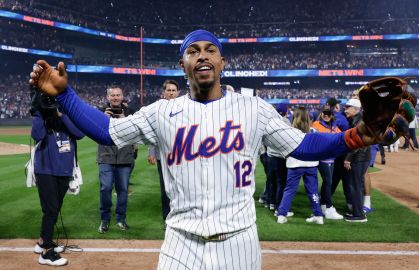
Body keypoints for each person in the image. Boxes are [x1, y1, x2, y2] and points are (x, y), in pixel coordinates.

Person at [30, 29, 397, 270]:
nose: (202, 56)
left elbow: (306, 144)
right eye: (193, 51)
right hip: (179, 243)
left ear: (222, 62)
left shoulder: (253, 109)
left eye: (210, 50)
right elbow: (109, 132)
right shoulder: (162, 112)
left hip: (238, 244)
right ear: (183, 64)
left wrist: (358, 135)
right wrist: (66, 94)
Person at [31, 92, 84, 266]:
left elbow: (79, 133)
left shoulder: (66, 115)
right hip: (46, 169)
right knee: (51, 209)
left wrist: (61, 115)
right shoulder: (41, 115)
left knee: (55, 208)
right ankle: (46, 253)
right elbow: (37, 135)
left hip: (64, 169)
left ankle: (42, 242)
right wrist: (39, 112)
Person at [97, 86, 136, 233]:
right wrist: (104, 120)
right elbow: (94, 132)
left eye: (118, 95)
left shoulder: (130, 112)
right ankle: (105, 219)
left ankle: (121, 219)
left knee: (123, 190)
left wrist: (124, 120)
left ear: (122, 96)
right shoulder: (101, 112)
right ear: (108, 97)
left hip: (125, 157)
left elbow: (135, 132)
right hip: (105, 156)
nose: (115, 97)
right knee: (105, 187)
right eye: (112, 95)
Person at [277, 107, 323, 224]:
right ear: (308, 117)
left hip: (295, 164)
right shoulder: (314, 131)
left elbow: (284, 148)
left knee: (290, 190)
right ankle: (318, 215)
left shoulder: (289, 131)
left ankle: (282, 215)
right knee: (313, 191)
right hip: (311, 164)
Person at [147, 79, 179, 222]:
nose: (171, 93)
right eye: (168, 90)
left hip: (181, 156)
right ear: (164, 92)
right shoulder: (157, 109)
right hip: (163, 157)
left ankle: (180, 218)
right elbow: (152, 132)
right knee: (165, 189)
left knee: (181, 189)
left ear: (178, 92)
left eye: (173, 90)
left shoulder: (185, 108)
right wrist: (151, 152)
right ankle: (167, 219)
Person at [311, 105, 343, 219]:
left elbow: (341, 138)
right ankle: (328, 207)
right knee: (328, 182)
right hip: (322, 158)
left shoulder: (335, 126)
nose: (326, 116)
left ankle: (323, 205)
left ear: (332, 115)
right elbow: (312, 140)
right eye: (324, 113)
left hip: (332, 158)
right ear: (321, 114)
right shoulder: (316, 125)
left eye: (329, 114)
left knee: (327, 182)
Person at [343, 98, 370, 222]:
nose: (345, 109)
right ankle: (357, 211)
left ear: (355, 109)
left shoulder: (359, 122)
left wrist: (348, 159)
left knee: (355, 185)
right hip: (361, 157)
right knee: (356, 184)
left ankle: (358, 214)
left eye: (348, 107)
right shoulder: (357, 120)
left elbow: (357, 143)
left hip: (359, 157)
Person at [266, 103, 289, 211]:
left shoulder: (269, 121)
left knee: (271, 181)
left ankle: (271, 203)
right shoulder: (286, 122)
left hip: (270, 155)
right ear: (285, 112)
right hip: (280, 157)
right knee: (281, 182)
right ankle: (278, 207)